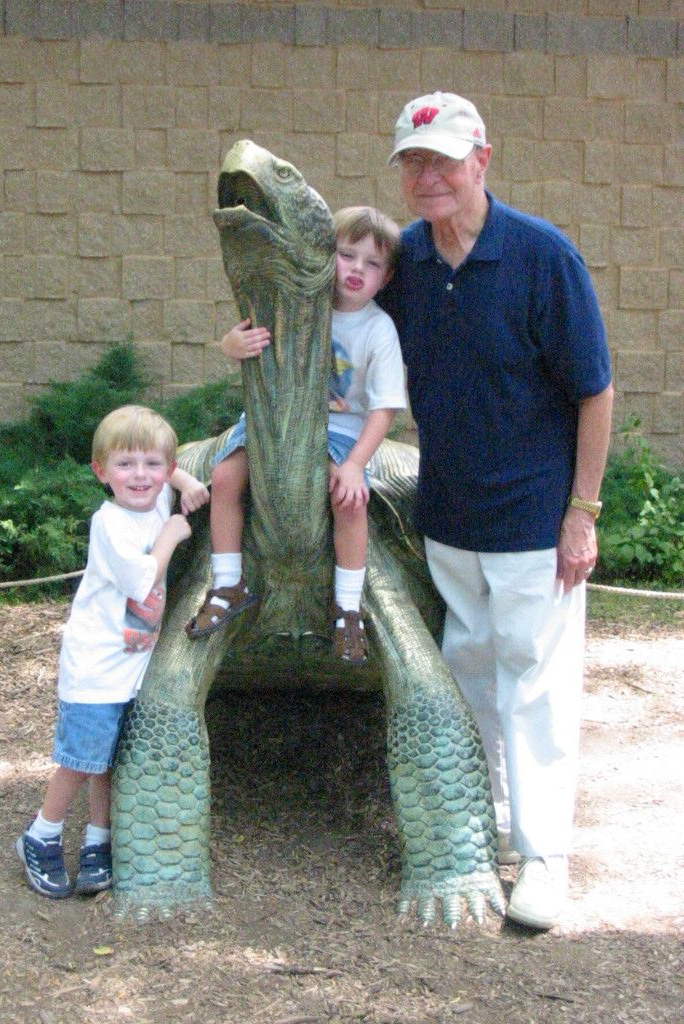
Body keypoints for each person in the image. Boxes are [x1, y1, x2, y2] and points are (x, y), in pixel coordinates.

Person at [380, 92, 614, 930]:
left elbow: (595, 391)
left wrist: (581, 512)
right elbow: (338, 335)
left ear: (483, 158)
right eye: (413, 161)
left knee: (538, 689)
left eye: (442, 158)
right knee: (471, 675)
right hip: (446, 519)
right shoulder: (404, 261)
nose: (427, 175)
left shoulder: (543, 256)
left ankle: (544, 858)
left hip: (532, 525)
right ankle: (482, 833)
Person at [186, 206, 407, 664]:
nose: (356, 270)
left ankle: (348, 605)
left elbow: (384, 408)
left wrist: (354, 466)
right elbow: (243, 339)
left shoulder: (378, 330)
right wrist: (231, 345)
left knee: (350, 500)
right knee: (225, 477)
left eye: (372, 264)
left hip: (340, 429)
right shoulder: (298, 305)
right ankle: (229, 581)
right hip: (276, 417)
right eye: (347, 256)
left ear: (385, 279)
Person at [16, 405, 209, 898]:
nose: (140, 476)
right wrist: (169, 534)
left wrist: (185, 483)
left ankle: (98, 843)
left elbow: (170, 468)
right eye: (125, 465)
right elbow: (142, 583)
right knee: (82, 760)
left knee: (109, 760)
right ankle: (41, 835)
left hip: (132, 665)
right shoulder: (113, 522)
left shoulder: (155, 491)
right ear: (101, 472)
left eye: (152, 465)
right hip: (97, 667)